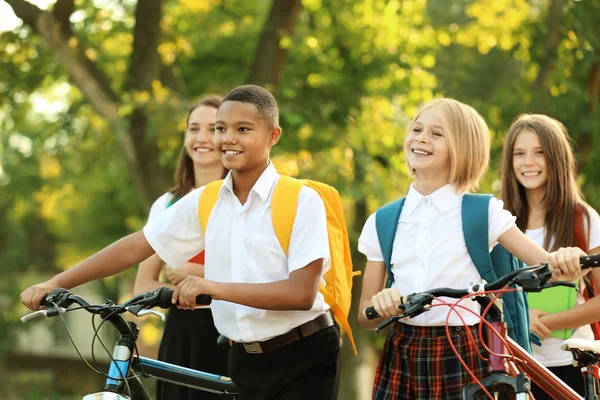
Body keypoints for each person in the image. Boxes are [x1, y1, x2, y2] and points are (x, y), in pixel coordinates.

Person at [21, 84, 339, 400]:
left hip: (304, 355)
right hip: (243, 360)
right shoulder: (206, 201)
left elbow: (300, 293)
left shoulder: (301, 200)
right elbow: (138, 245)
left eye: (243, 129)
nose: (228, 139)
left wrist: (212, 286)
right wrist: (58, 282)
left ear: (273, 135)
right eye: (221, 128)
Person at [356, 98, 586, 400]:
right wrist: (382, 302)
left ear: (463, 149)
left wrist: (567, 259)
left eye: (437, 134)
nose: (422, 138)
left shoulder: (483, 211)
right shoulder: (383, 220)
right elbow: (364, 313)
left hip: (466, 349)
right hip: (404, 349)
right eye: (417, 129)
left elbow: (549, 269)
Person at [133, 95, 231, 400]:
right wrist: (183, 291)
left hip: (231, 330)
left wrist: (197, 273)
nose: (201, 138)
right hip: (181, 333)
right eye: (193, 129)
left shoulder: (243, 199)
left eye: (213, 128)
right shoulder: (166, 204)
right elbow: (144, 284)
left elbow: (261, 276)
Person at [500, 113, 600, 398]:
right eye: (519, 154)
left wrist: (546, 322)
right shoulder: (497, 223)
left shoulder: (583, 219)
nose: (527, 162)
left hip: (572, 365)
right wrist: (518, 320)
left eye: (539, 153)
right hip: (513, 367)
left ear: (556, 159)